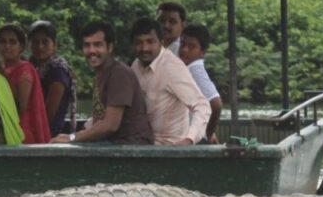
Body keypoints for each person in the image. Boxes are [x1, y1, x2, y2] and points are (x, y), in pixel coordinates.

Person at [51, 21, 152, 145]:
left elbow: (110, 125)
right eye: (87, 45)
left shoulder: (119, 74)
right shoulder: (101, 74)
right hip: (110, 145)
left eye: (98, 45)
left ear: (110, 47)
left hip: (131, 147)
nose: (91, 50)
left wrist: (72, 138)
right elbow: (99, 121)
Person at [129, 17, 210, 145]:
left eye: (150, 42)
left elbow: (202, 105)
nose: (144, 48)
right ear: (133, 45)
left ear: (161, 42)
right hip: (143, 145)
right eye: (139, 43)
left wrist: (189, 139)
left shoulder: (172, 67)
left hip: (171, 149)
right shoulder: (136, 65)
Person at [0, 23, 50, 144]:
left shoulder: (25, 69)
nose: (7, 46)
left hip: (21, 135)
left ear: (21, 47)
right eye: (3, 42)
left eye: (12, 42)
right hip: (4, 133)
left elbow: (20, 107)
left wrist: (2, 75)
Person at [28, 19, 77, 137]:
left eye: (45, 42)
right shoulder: (33, 65)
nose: (40, 47)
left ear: (54, 45)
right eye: (35, 42)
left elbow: (48, 114)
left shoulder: (58, 70)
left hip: (48, 134)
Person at [179, 23, 223, 143]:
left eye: (191, 47)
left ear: (202, 51)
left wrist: (208, 133)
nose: (184, 49)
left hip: (194, 138)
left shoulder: (195, 70)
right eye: (182, 44)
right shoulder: (187, 68)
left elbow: (216, 104)